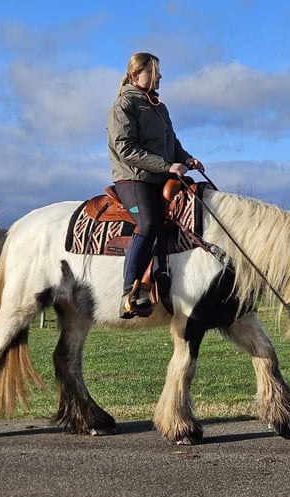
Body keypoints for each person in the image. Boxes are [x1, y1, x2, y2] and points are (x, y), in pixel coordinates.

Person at [107, 52, 204, 319]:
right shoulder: (124, 105)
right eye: (154, 71)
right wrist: (166, 166)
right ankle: (129, 290)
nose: (159, 76)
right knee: (148, 224)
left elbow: (172, 142)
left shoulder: (159, 107)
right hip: (134, 178)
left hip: (160, 177)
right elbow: (125, 148)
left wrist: (185, 158)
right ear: (137, 74)